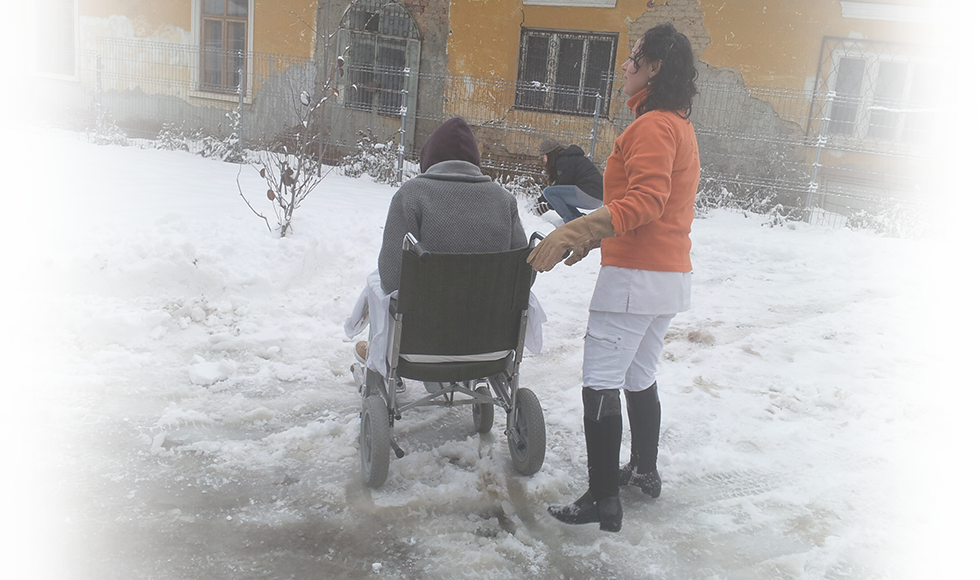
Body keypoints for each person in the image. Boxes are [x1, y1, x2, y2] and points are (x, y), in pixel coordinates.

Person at [527, 23, 700, 533]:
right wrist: (596, 239)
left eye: (634, 57)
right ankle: (644, 470)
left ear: (655, 68)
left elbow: (646, 202)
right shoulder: (678, 126)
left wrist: (573, 230)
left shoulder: (652, 127)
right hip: (666, 276)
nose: (625, 66)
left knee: (600, 382)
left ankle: (603, 499)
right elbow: (657, 213)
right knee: (639, 376)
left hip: (633, 281)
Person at [346, 117, 531, 384]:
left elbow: (391, 278)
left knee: (376, 283)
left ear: (429, 157)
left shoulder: (412, 196)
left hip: (420, 344)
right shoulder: (504, 200)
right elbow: (524, 276)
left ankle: (379, 356)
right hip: (490, 342)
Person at [533, 138, 604, 224]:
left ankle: (570, 222)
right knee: (551, 193)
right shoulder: (568, 158)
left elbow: (560, 189)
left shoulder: (564, 161)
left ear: (549, 154)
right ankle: (579, 221)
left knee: (548, 192)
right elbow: (562, 190)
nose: (544, 160)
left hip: (590, 195)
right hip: (597, 197)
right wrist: (540, 200)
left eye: (543, 156)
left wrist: (546, 206)